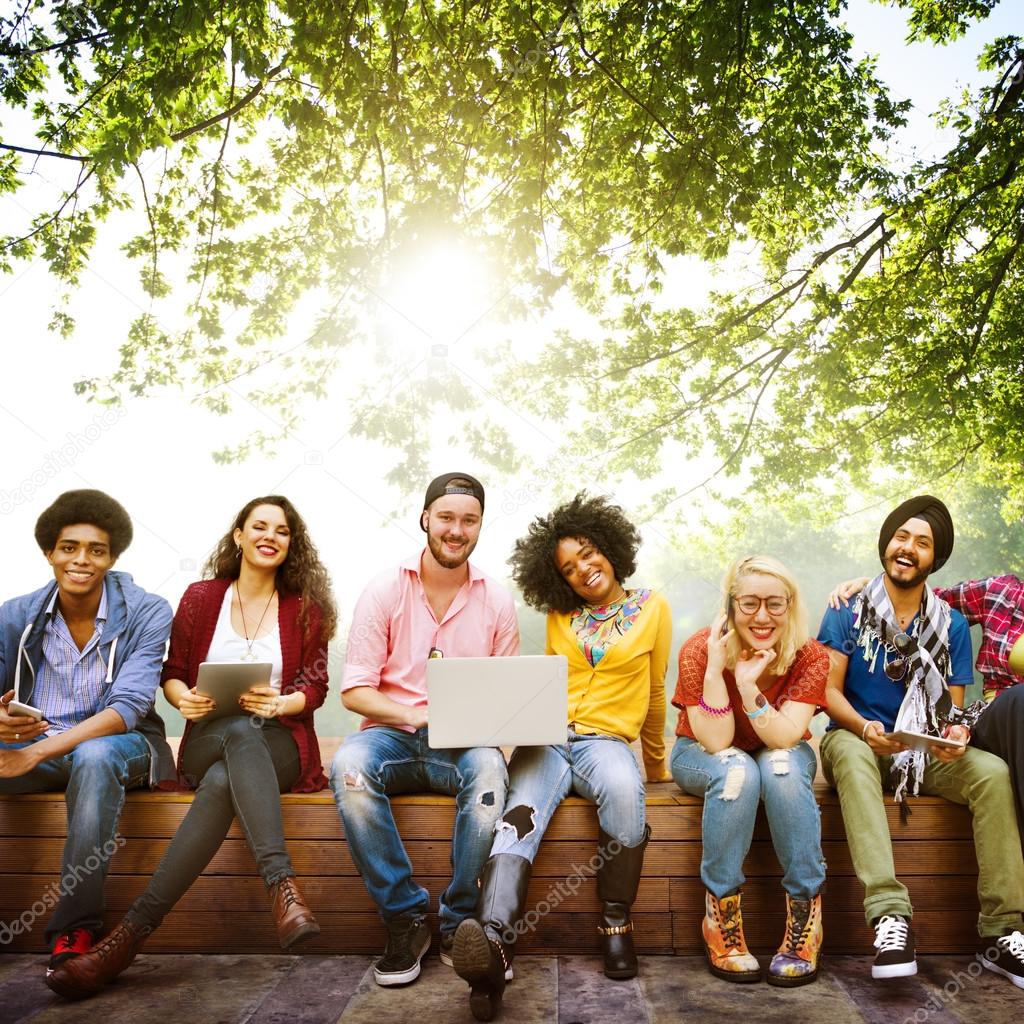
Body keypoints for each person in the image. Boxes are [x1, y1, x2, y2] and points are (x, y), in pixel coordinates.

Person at [46, 495, 336, 999]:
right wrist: (186, 700)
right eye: (259, 526)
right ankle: (282, 887)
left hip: (279, 743)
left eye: (282, 531)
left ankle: (124, 942)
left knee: (238, 757)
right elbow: (172, 673)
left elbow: (316, 688)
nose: (270, 536)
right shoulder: (202, 597)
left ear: (292, 544)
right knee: (233, 740)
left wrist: (282, 702)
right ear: (239, 536)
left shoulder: (304, 608)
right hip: (208, 736)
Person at [452, 492, 671, 1021]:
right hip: (548, 739)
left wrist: (657, 765)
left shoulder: (653, 609)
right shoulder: (559, 615)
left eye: (589, 554)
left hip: (606, 742)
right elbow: (545, 685)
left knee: (623, 791)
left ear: (611, 549)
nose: (583, 570)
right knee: (517, 817)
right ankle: (494, 941)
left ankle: (616, 924)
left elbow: (657, 690)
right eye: (569, 569)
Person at [817, 495, 1024, 988]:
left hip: (921, 752)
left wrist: (953, 735)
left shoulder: (950, 624)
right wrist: (866, 727)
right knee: (847, 752)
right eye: (902, 537)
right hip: (858, 738)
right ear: (886, 545)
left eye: (923, 543)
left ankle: (1003, 929)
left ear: (935, 558)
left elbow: (950, 710)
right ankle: (889, 916)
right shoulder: (848, 609)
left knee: (992, 772)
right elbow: (826, 691)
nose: (908, 548)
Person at [330, 473, 518, 988]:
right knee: (348, 765)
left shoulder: (497, 601)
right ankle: (406, 918)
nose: (456, 530)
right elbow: (355, 692)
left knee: (488, 769)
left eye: (469, 520)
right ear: (425, 519)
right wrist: (415, 715)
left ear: (479, 526)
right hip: (391, 734)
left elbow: (505, 698)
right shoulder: (385, 589)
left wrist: (490, 726)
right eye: (447, 518)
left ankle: (460, 923)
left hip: (460, 745)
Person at [0, 489, 174, 977]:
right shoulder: (16, 614)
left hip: (124, 746)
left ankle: (75, 927)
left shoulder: (147, 610)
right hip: (38, 744)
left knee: (95, 756)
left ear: (113, 556)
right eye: (69, 547)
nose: (81, 560)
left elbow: (129, 707)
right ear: (49, 553)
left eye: (96, 550)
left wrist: (32, 756)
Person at [671, 555, 828, 987]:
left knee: (779, 768)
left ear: (790, 606)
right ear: (731, 605)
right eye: (750, 603)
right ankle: (720, 920)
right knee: (737, 770)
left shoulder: (810, 655)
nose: (762, 616)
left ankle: (805, 921)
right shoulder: (700, 648)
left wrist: (748, 687)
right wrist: (720, 669)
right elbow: (716, 742)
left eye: (775, 604)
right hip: (699, 751)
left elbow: (785, 737)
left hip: (777, 744)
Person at [831, 572, 1024, 838]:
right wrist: (870, 583)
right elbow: (920, 597)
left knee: (993, 772)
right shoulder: (1002, 592)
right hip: (1006, 718)